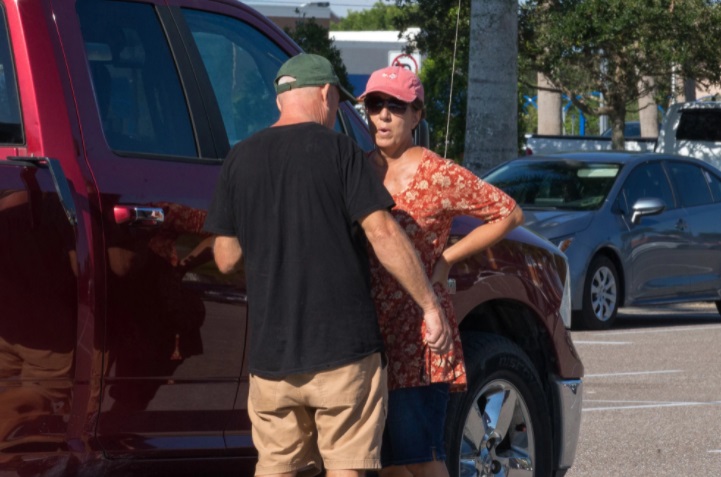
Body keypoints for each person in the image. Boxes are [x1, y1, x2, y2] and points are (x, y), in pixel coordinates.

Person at [204, 54, 452, 477]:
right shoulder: (340, 150)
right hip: (343, 353)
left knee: (277, 469)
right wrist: (430, 306)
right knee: (347, 467)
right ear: (325, 93)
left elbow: (226, 258)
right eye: (338, 101)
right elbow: (383, 233)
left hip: (272, 358)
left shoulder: (239, 158)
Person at [358, 66, 524, 477]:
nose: (382, 116)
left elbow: (508, 213)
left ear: (417, 115)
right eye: (374, 104)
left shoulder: (439, 173)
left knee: (421, 458)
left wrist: (447, 258)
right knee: (383, 464)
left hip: (419, 337)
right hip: (366, 335)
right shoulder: (359, 168)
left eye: (394, 107)